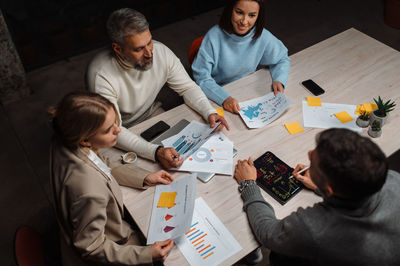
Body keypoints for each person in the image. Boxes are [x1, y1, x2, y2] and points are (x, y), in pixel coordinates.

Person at [234, 128, 400, 266]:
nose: (310, 152)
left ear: (330, 188)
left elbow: (268, 234)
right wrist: (322, 185)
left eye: (315, 160)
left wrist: (248, 184)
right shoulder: (392, 178)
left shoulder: (314, 227)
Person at [87, 8, 228, 169]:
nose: (149, 53)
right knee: (139, 176)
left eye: (149, 42)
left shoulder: (160, 51)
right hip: (117, 133)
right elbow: (113, 130)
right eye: (139, 49)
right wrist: (156, 152)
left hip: (152, 114)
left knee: (188, 161)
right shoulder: (100, 74)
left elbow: (188, 87)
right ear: (118, 49)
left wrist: (208, 111)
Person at [49, 91, 175, 266]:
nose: (118, 129)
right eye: (109, 129)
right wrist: (147, 254)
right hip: (112, 248)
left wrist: (144, 176)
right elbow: (91, 247)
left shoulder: (64, 138)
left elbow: (99, 162)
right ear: (85, 140)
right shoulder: (89, 190)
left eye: (115, 122)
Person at [191, 0, 290, 114]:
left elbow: (282, 58)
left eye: (252, 15)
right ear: (230, 10)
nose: (244, 21)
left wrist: (279, 79)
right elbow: (202, 78)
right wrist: (224, 99)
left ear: (258, 16)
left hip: (247, 89)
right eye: (239, 12)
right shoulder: (213, 37)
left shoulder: (263, 35)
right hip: (218, 93)